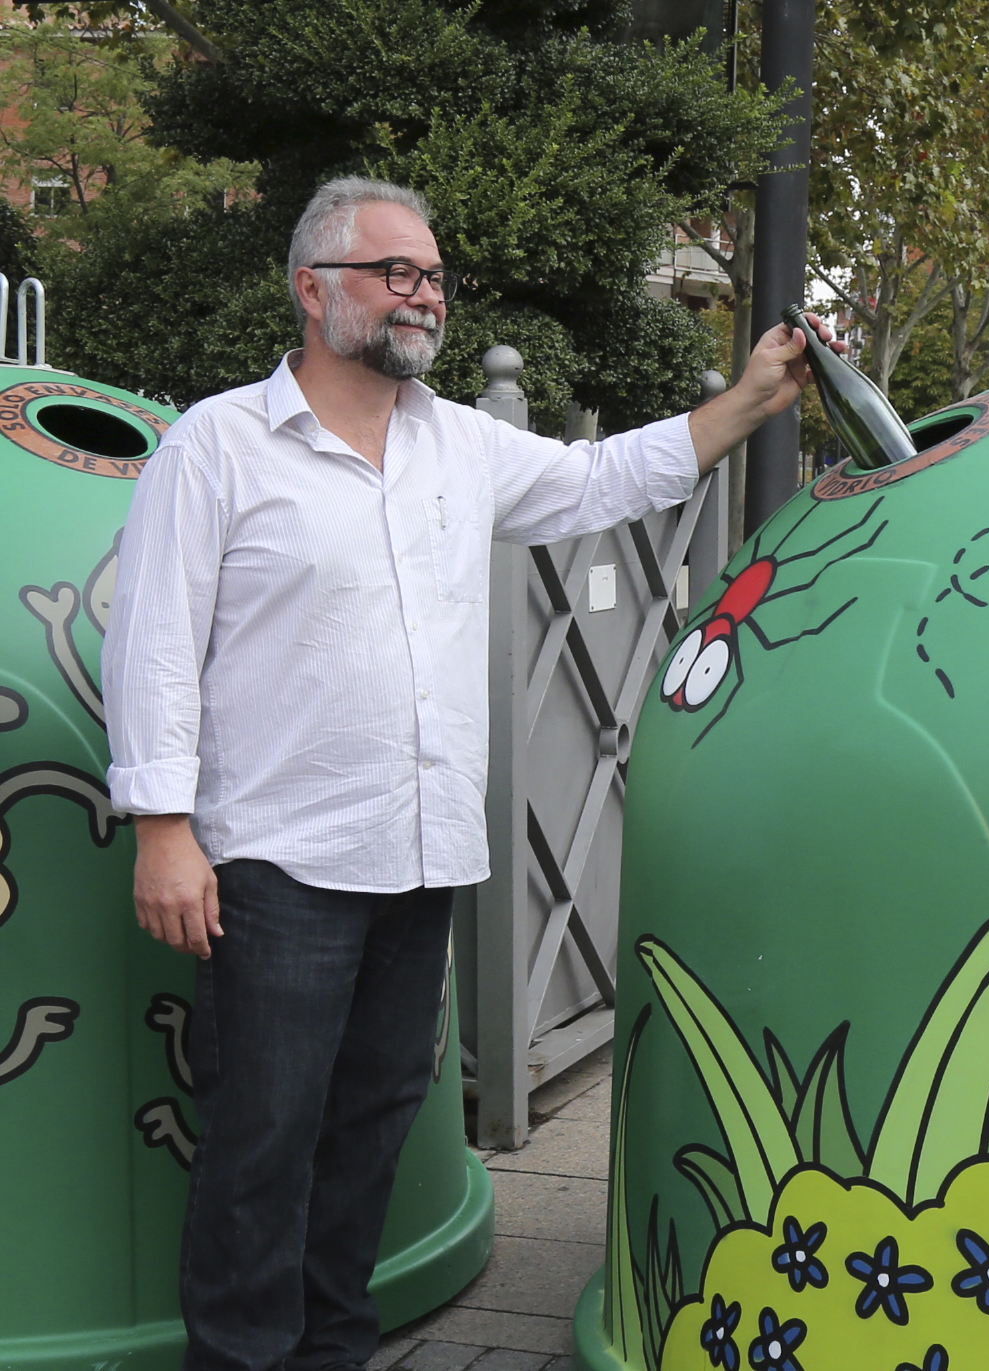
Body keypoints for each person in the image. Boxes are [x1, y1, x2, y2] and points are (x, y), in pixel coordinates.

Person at [103, 176, 841, 1371]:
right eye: (396, 272)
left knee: (370, 1138)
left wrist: (752, 397)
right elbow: (152, 644)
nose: (426, 296)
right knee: (260, 1150)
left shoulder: (458, 441)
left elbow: (601, 483)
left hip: (422, 858)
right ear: (312, 289)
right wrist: (162, 830)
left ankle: (332, 1353)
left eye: (436, 277)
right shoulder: (218, 446)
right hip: (276, 868)